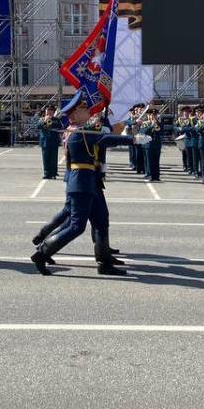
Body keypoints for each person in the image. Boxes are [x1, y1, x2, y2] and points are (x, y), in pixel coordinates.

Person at [30, 90, 144, 276]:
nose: (88, 111)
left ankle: (104, 262)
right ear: (75, 115)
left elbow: (101, 136)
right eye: (84, 109)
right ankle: (42, 253)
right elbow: (105, 139)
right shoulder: (79, 133)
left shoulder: (81, 131)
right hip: (81, 183)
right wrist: (133, 139)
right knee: (76, 226)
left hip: (89, 182)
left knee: (101, 220)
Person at [36, 106, 61, 180]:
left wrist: (52, 122)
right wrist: (45, 121)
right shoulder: (41, 119)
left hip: (54, 141)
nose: (49, 112)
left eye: (51, 111)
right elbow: (38, 126)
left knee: (53, 159)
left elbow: (60, 127)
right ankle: (46, 173)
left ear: (53, 112)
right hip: (45, 141)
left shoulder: (56, 120)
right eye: (47, 110)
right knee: (45, 158)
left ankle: (53, 173)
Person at [141, 108, 162, 181]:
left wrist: (157, 124)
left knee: (156, 160)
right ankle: (149, 174)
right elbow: (144, 132)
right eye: (151, 115)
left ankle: (156, 175)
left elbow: (161, 132)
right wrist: (151, 126)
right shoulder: (145, 123)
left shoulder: (159, 123)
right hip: (148, 144)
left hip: (157, 144)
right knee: (149, 160)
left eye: (155, 115)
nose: (153, 116)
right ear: (148, 115)